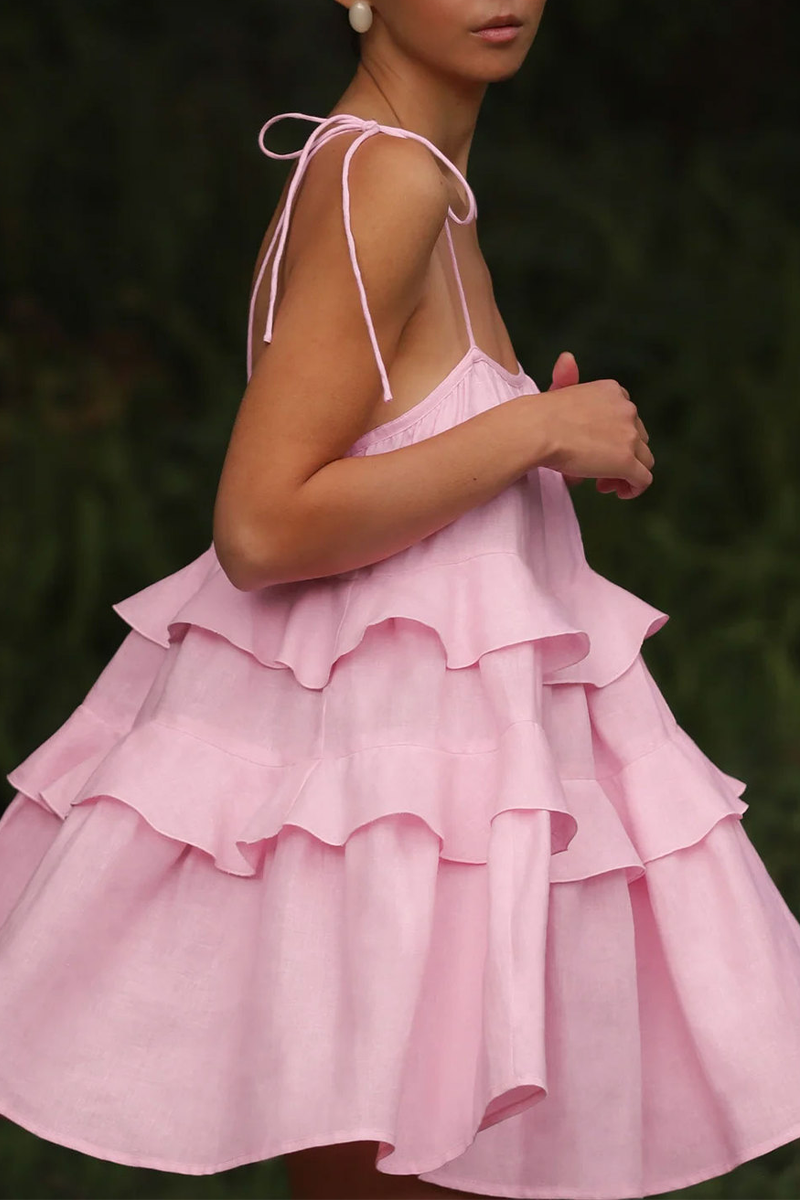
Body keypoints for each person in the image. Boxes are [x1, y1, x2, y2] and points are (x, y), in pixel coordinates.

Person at [1, 2, 800, 1198]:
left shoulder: (412, 182)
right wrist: (533, 428)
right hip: (389, 805)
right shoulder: (384, 179)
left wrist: (528, 443)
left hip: (418, 788)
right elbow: (263, 525)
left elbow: (383, 455)